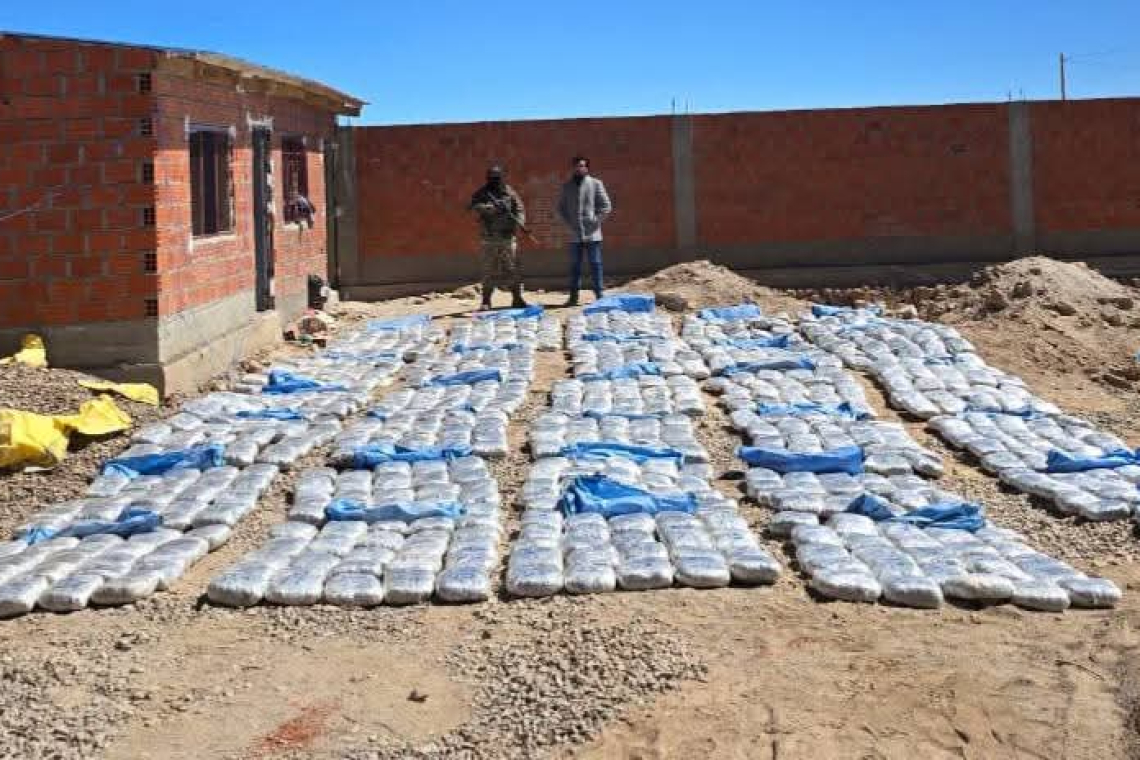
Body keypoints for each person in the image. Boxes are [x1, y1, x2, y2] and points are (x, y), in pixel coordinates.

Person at [468, 165, 529, 309]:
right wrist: (491, 209)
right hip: (488, 238)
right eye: (491, 178)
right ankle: (486, 301)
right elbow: (473, 207)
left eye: (497, 178)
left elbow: (519, 208)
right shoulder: (482, 193)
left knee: (512, 268)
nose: (494, 181)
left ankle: (517, 298)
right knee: (488, 270)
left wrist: (520, 223)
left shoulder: (509, 192)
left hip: (507, 237)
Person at [557, 155, 612, 306]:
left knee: (596, 263)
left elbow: (606, 206)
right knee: (575, 265)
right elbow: (560, 209)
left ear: (587, 168)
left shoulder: (595, 184)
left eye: (582, 166)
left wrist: (595, 221)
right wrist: (569, 224)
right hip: (575, 234)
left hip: (592, 233)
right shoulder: (567, 186)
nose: (579, 168)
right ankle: (573, 296)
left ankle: (599, 294)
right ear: (573, 168)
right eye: (577, 166)